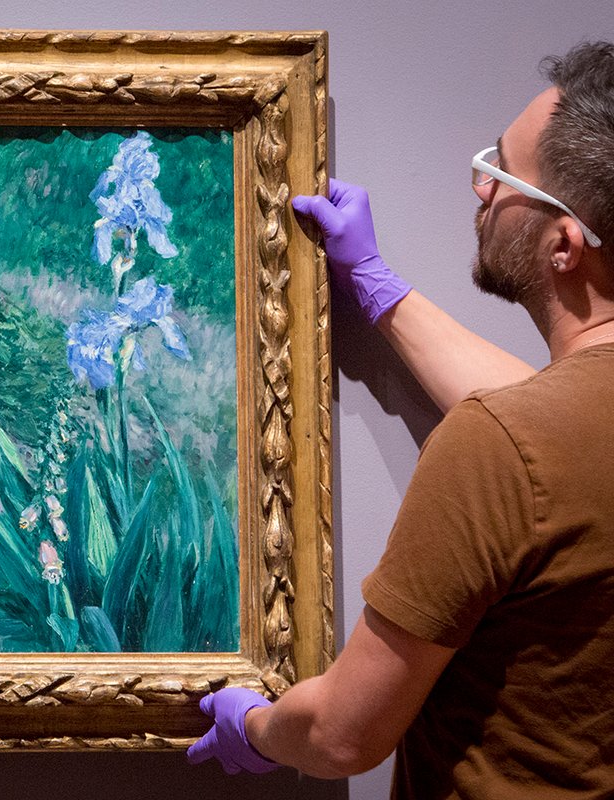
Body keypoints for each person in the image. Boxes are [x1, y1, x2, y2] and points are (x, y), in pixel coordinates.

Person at [187, 40, 614, 798]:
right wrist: (381, 290)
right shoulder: (547, 435)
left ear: (565, 244)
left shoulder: (500, 447)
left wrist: (255, 724)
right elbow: (555, 427)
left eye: (503, 173)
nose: (482, 189)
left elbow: (341, 733)